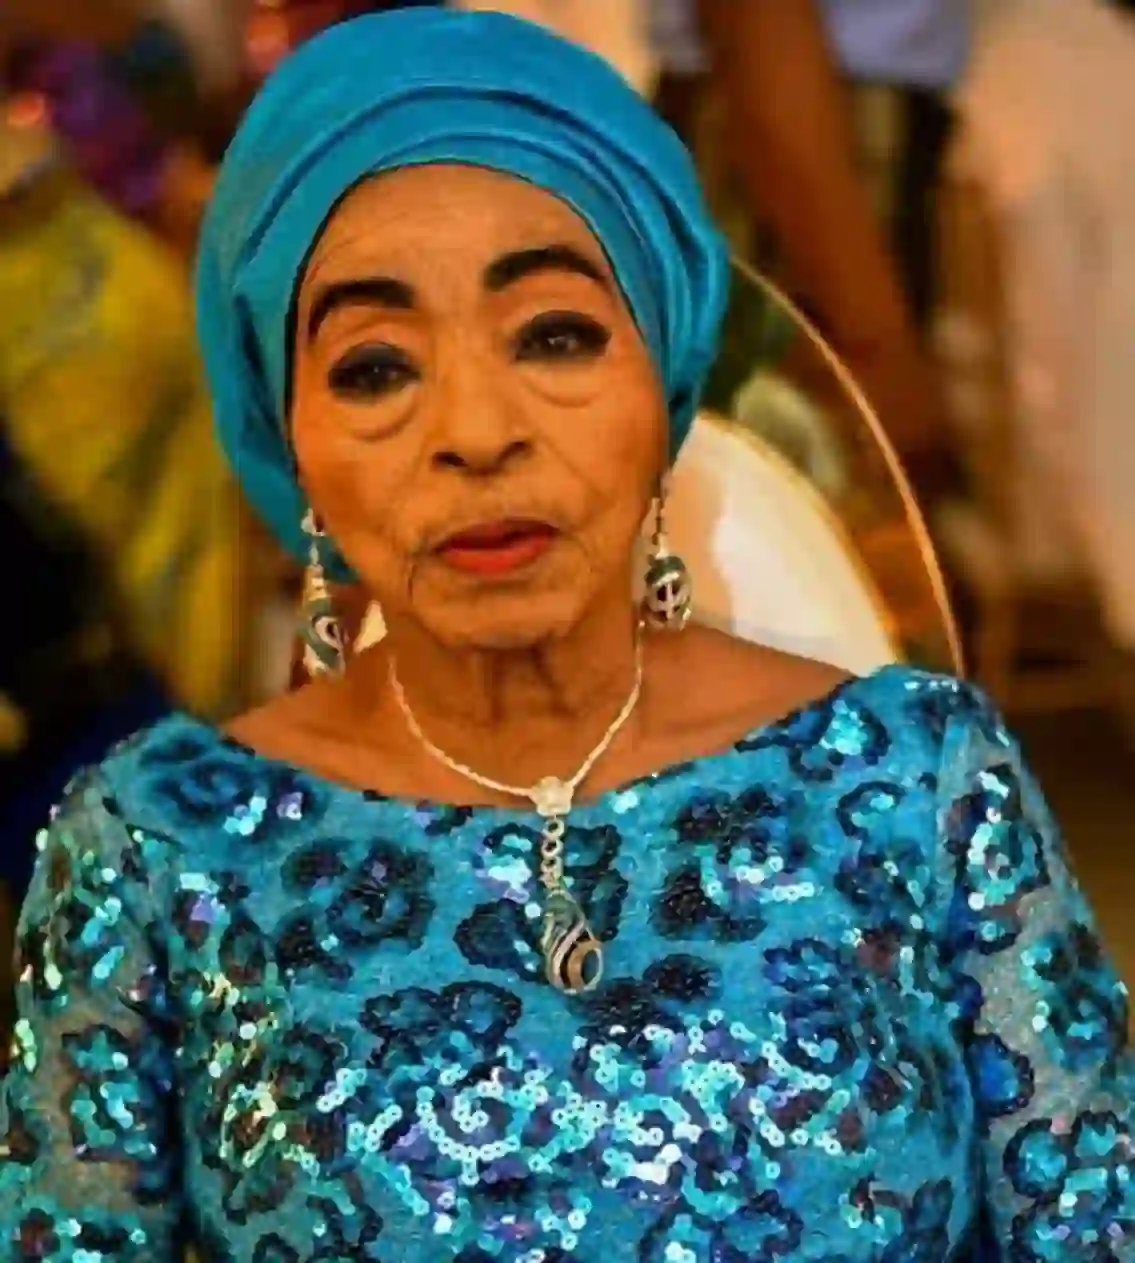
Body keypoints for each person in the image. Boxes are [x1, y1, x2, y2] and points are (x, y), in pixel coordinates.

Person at [0, 9, 1130, 1259]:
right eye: (375, 366)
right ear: (291, 441)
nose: (477, 432)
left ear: (662, 386)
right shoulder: (159, 842)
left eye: (554, 336)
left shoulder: (917, 778)